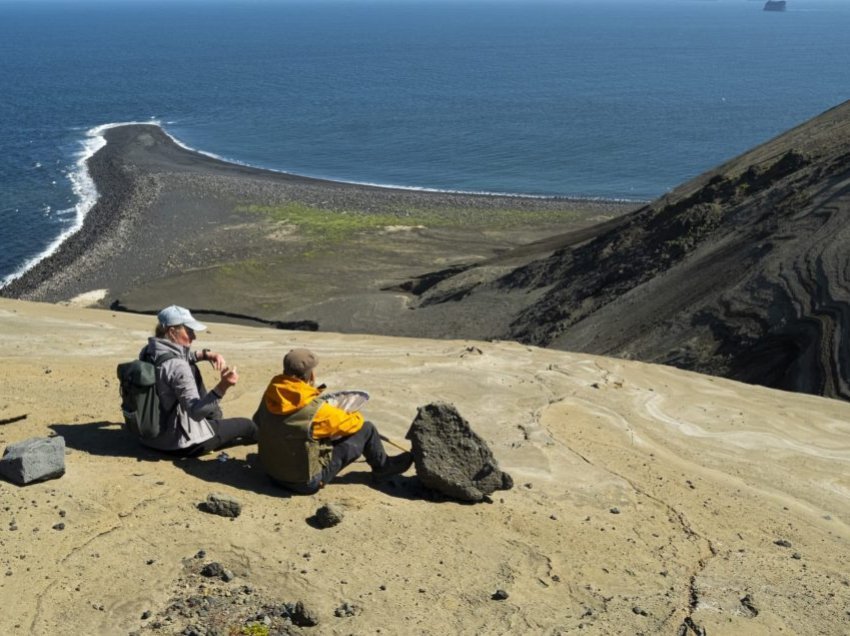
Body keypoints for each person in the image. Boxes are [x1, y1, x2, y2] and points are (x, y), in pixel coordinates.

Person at [253, 348, 412, 494]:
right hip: (303, 483)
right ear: (311, 375)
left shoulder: (271, 394)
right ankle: (383, 468)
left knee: (311, 434)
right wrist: (338, 413)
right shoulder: (318, 412)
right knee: (367, 429)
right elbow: (355, 423)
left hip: (270, 472)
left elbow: (258, 420)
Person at [138, 305, 257, 456]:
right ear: (172, 332)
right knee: (247, 426)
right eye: (189, 331)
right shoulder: (178, 367)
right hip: (182, 444)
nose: (194, 336)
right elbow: (196, 413)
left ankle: (214, 418)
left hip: (150, 438)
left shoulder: (147, 351)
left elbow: (178, 357)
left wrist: (207, 355)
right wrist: (223, 386)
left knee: (192, 367)